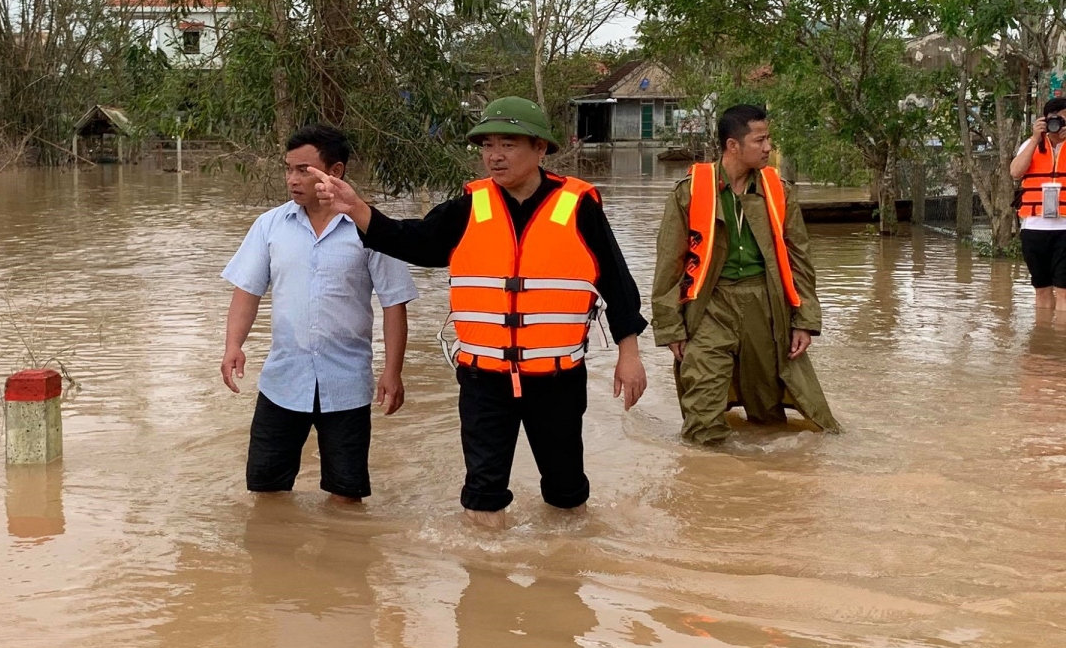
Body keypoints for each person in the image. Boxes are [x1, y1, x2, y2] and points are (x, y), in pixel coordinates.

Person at [309, 97, 648, 527]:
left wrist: (629, 353)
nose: (495, 155)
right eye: (487, 145)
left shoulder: (579, 206)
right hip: (483, 378)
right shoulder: (470, 205)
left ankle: (563, 577)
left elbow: (618, 285)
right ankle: (487, 578)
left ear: (540, 148)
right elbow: (414, 242)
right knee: (483, 493)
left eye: (508, 144)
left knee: (566, 491)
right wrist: (356, 208)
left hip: (557, 378)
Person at [220, 124, 418, 502]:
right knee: (267, 493)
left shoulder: (369, 228)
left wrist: (392, 372)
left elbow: (395, 303)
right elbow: (247, 291)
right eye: (289, 169)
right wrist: (233, 345)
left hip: (346, 384)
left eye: (303, 170)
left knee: (346, 498)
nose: (292, 179)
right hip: (282, 381)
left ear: (335, 172)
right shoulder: (270, 225)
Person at [651, 104, 840, 444]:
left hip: (765, 305)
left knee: (766, 413)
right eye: (761, 140)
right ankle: (711, 488)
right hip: (710, 306)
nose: (769, 147)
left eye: (769, 139)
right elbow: (668, 263)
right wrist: (670, 327)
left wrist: (804, 322)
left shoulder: (779, 191)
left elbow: (801, 260)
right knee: (702, 416)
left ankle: (764, 488)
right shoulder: (690, 191)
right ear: (733, 146)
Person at [1010, 97, 1066, 311]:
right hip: (1035, 229)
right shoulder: (1031, 144)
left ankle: (1059, 342)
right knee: (1042, 289)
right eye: (1054, 119)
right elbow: (1015, 172)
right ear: (1044, 119)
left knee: (1064, 291)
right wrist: (1034, 138)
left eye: (1063, 119)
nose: (1058, 125)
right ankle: (1042, 342)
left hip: (1065, 228)